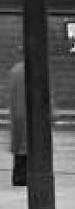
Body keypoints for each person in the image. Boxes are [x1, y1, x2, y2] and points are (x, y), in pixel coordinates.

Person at [8, 56, 26, 188]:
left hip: (17, 115)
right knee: (27, 148)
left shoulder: (15, 71)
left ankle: (18, 176)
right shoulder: (31, 72)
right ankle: (23, 176)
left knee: (20, 149)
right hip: (27, 114)